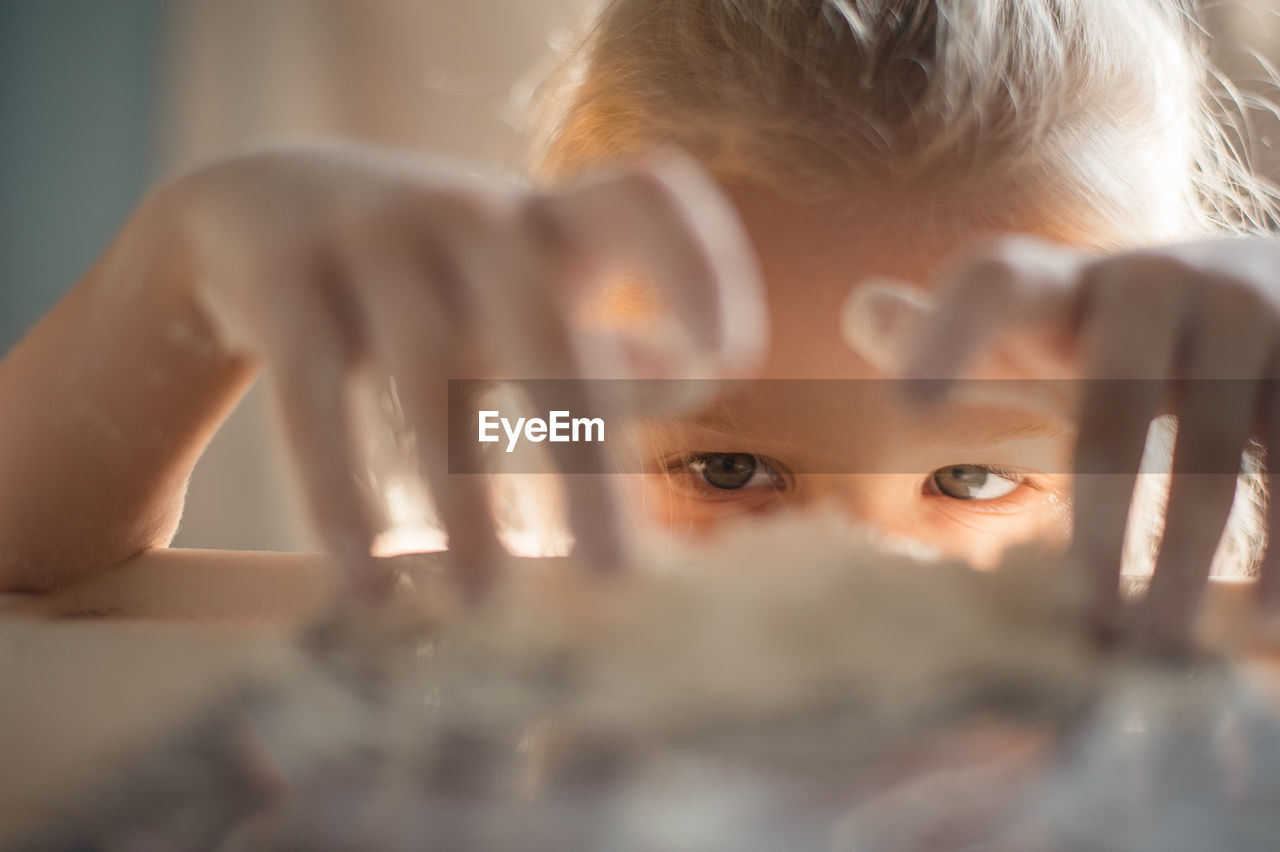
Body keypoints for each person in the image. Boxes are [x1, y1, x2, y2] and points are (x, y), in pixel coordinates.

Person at [1, 0, 1277, 652]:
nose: (842, 573)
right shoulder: (498, 606)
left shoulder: (1195, 648)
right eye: (724, 469)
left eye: (976, 475)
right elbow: (32, 597)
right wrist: (179, 272)